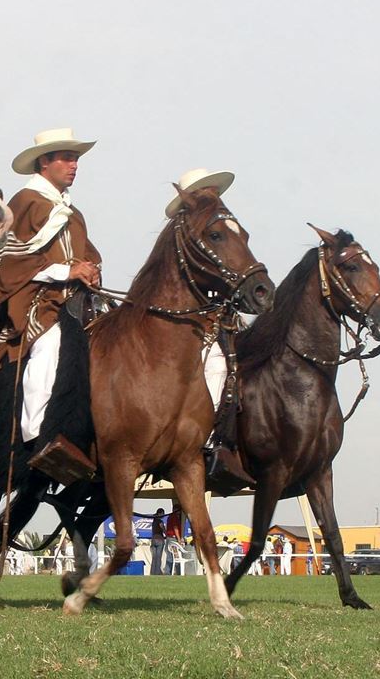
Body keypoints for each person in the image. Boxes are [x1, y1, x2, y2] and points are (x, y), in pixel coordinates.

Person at [0, 128, 102, 483]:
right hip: (34, 299)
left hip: (72, 300)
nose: (74, 165)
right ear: (44, 162)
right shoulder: (25, 201)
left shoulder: (71, 212)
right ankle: (38, 435)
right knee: (50, 345)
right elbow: (11, 259)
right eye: (66, 158)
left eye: (76, 158)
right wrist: (67, 269)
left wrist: (90, 269)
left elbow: (85, 254)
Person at [168, 168, 256, 486]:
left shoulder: (221, 230)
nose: (214, 196)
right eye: (206, 191)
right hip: (188, 322)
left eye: (215, 191)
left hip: (219, 319)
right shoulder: (186, 238)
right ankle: (206, 446)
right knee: (216, 368)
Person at [149, 508, 167, 575]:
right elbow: (164, 530)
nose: (164, 515)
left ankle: (152, 572)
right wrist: (167, 535)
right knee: (158, 557)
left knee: (154, 558)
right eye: (163, 513)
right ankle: (157, 573)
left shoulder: (154, 521)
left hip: (153, 539)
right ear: (160, 513)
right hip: (159, 539)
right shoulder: (160, 522)